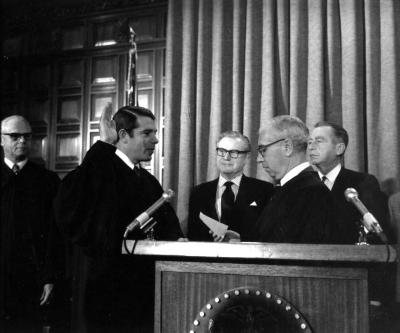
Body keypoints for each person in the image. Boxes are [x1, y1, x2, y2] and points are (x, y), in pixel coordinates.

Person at [54, 105, 183, 332]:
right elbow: (67, 205)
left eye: (154, 133)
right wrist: (104, 144)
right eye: (147, 133)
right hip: (109, 292)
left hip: (145, 292)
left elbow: (167, 225)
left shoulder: (148, 180)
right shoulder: (100, 171)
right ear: (123, 135)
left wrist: (178, 240)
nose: (155, 140)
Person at [1, 115, 61, 332]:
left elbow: (54, 234)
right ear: (1, 139)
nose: (22, 141)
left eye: (26, 136)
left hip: (31, 278)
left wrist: (49, 277)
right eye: (14, 136)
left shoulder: (47, 181)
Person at [244, 115, 337, 243]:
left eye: (263, 149)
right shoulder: (293, 189)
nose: (259, 159)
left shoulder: (311, 192)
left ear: (287, 147)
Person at [308, 121, 389, 244]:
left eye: (319, 141)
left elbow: (376, 233)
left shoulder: (363, 182)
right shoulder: (304, 183)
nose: (311, 147)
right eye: (309, 142)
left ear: (339, 148)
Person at [187, 131, 274, 241]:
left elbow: (269, 234)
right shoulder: (199, 192)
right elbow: (193, 236)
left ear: (247, 157)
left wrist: (241, 239)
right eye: (221, 151)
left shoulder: (265, 191)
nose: (226, 157)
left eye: (234, 152)